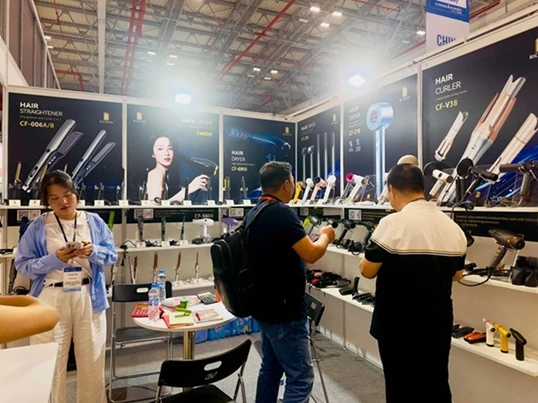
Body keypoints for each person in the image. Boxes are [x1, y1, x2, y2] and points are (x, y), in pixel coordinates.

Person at [359, 164, 467, 403]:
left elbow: (367, 271)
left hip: (398, 324)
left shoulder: (391, 223)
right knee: (436, 384)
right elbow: (457, 274)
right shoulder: (453, 227)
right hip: (437, 322)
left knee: (402, 387)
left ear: (392, 190)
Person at [15, 170, 118, 403]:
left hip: (88, 296)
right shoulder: (38, 226)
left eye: (67, 194)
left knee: (92, 363)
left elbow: (112, 255)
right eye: (54, 198)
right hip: (51, 298)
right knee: (49, 365)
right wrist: (55, 259)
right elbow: (23, 265)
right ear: (47, 202)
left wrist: (93, 251)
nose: (63, 201)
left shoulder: (94, 222)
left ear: (76, 194)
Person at [246, 161, 336, 403]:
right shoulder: (281, 213)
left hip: (265, 307)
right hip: (285, 312)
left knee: (271, 370)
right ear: (286, 184)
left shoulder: (256, 212)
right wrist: (326, 236)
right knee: (301, 378)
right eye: (293, 182)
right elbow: (312, 254)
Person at [146, 136, 209, 202]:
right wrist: (189, 188)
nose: (167, 153)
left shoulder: (168, 176)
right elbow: (154, 205)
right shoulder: (156, 174)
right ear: (153, 154)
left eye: (170, 148)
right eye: (160, 149)